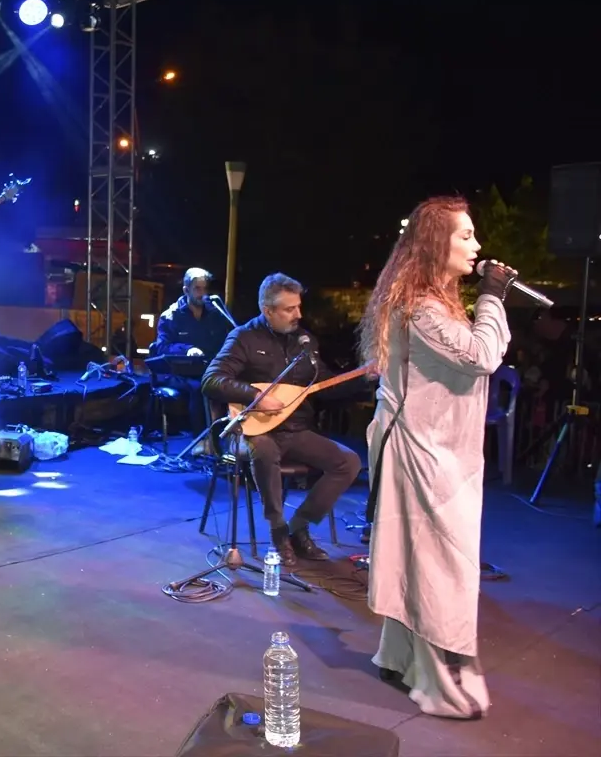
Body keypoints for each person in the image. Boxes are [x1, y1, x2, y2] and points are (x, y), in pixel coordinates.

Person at [357, 195, 513, 719]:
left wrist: (487, 299)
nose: (477, 246)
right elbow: (481, 356)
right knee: (440, 565)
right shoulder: (421, 306)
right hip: (422, 451)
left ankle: (397, 657)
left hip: (440, 448)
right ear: (433, 244)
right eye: (466, 236)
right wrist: (493, 296)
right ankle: (437, 681)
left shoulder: (434, 302)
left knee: (421, 558)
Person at [201, 272, 363, 566]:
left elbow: (324, 385)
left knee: (348, 462)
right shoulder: (244, 338)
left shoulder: (305, 342)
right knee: (264, 450)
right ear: (268, 310)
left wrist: (364, 379)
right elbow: (211, 380)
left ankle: (299, 526)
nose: (298, 314)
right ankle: (278, 531)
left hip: (296, 429)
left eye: (298, 306)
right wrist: (255, 395)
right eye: (289, 309)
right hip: (253, 431)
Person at [150, 267, 233, 440]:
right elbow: (161, 347)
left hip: (207, 370)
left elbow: (224, 342)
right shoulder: (170, 316)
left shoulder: (215, 313)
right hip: (177, 372)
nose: (203, 293)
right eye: (198, 289)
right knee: (200, 388)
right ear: (186, 290)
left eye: (205, 288)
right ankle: (201, 440)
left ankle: (231, 439)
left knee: (232, 384)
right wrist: (187, 349)